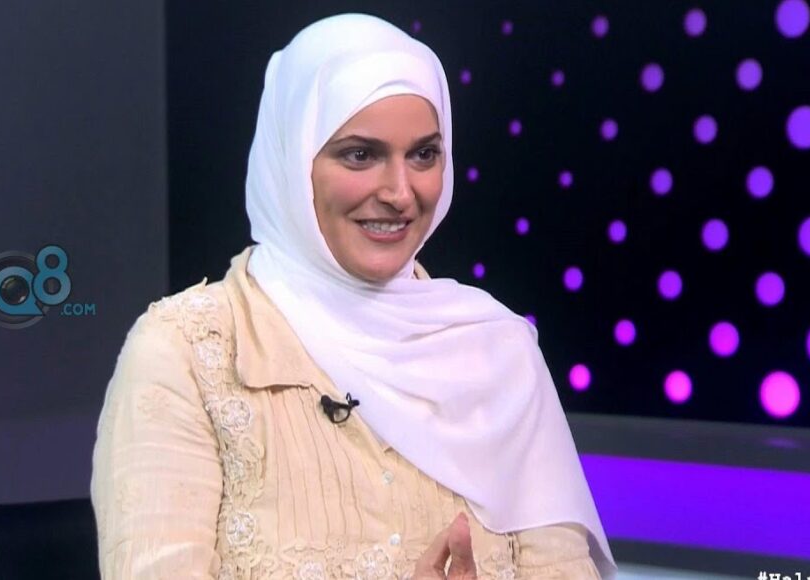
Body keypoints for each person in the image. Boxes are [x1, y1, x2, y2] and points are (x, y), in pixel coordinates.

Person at [91, 13, 617, 579]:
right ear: (293, 161)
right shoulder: (186, 355)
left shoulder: (499, 351)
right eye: (360, 155)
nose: (399, 192)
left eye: (423, 155)